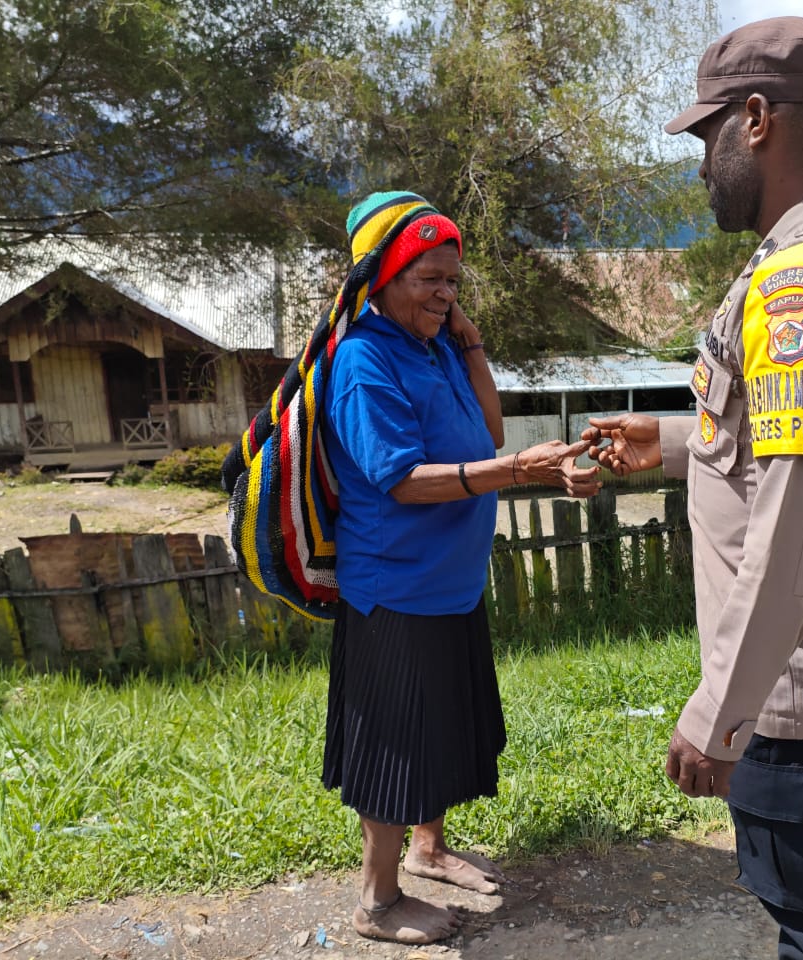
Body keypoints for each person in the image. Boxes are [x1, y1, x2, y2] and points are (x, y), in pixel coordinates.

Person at [583, 19, 803, 960]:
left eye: (707, 135)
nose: (701, 165)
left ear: (757, 119)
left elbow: (792, 525)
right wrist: (680, 440)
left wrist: (716, 714)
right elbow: (797, 453)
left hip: (791, 683)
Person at [322, 191, 601, 945]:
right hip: (397, 590)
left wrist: (469, 342)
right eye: (429, 280)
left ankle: (429, 849)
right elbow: (404, 479)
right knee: (394, 747)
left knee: (441, 729)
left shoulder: (437, 345)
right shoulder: (363, 362)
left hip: (448, 583)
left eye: (452, 281)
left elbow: (486, 429)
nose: (445, 294)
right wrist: (514, 472)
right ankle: (377, 903)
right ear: (381, 280)